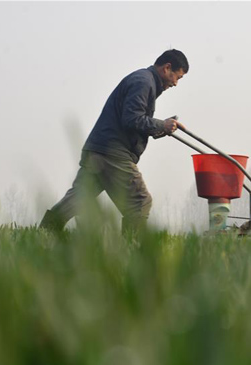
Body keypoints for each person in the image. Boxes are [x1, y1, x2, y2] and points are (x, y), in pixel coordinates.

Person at [39, 49, 188, 233]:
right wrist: (161, 124)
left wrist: (161, 128)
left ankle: (45, 232)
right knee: (139, 202)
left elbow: (133, 121)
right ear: (167, 68)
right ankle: (133, 251)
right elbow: (132, 118)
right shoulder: (144, 82)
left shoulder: (143, 80)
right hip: (113, 153)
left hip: (98, 149)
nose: (175, 83)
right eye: (178, 77)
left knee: (80, 197)